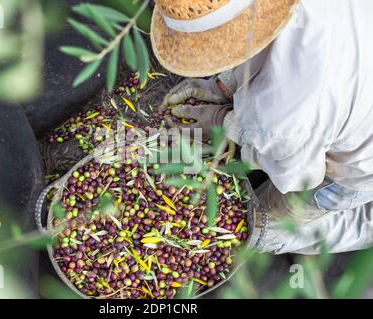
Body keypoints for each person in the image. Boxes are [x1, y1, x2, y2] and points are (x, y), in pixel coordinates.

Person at [150, 0, 373, 254]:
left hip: (360, 165)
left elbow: (301, 178)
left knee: (263, 228)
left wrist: (227, 126)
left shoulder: (286, 116)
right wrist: (225, 85)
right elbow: (265, 32)